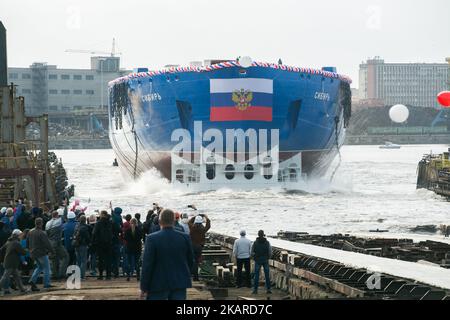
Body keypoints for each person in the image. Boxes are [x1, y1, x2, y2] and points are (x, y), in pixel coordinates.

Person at [140, 209, 193, 300]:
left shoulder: (151, 239)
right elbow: (190, 260)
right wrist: (185, 275)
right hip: (179, 282)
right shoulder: (185, 237)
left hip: (157, 283)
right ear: (174, 221)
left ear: (160, 221)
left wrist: (144, 287)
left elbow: (147, 265)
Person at [28, 218, 54, 291]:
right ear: (41, 223)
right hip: (41, 253)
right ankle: (46, 283)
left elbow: (28, 242)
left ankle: (32, 281)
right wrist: (52, 251)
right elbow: (47, 244)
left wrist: (30, 250)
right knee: (46, 268)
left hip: (33, 253)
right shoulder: (42, 233)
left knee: (39, 267)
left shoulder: (30, 232)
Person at [0, 229, 27, 294]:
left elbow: (1, 249)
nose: (21, 236)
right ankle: (22, 289)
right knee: (5, 277)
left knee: (17, 276)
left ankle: (22, 289)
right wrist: (26, 250)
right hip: (11, 263)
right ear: (17, 235)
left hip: (10, 262)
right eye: (20, 235)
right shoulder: (16, 243)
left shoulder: (9, 241)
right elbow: (23, 252)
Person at [46, 210, 69, 280]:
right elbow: (65, 215)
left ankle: (54, 275)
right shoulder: (58, 221)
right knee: (65, 257)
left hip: (50, 243)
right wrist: (65, 205)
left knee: (53, 259)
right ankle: (62, 273)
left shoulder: (48, 223)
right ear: (57, 215)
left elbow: (47, 234)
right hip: (58, 243)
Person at [188, 214, 211, 281]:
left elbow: (189, 221)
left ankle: (191, 275)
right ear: (201, 222)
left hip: (192, 246)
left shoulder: (192, 227)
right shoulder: (203, 229)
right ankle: (196, 277)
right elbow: (208, 225)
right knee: (197, 261)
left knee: (193, 260)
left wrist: (195, 216)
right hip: (199, 247)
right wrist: (206, 217)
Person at [92, 210, 113, 280]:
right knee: (108, 259)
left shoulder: (98, 223)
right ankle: (108, 275)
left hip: (100, 243)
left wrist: (93, 241)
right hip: (109, 244)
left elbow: (94, 233)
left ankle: (101, 275)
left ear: (102, 215)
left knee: (101, 260)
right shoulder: (110, 222)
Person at [251, 230, 272, 294]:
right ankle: (268, 289)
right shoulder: (267, 242)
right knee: (267, 275)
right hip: (265, 260)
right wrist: (268, 257)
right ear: (263, 234)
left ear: (258, 234)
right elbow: (270, 251)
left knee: (256, 275)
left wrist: (254, 257)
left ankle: (255, 290)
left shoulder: (255, 243)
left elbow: (251, 252)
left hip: (257, 260)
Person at [73, 215, 91, 280]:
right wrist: (89, 243)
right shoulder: (85, 227)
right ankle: (82, 276)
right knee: (83, 261)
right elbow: (87, 237)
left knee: (78, 261)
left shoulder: (76, 226)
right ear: (85, 220)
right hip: (83, 245)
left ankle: (77, 275)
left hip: (76, 245)